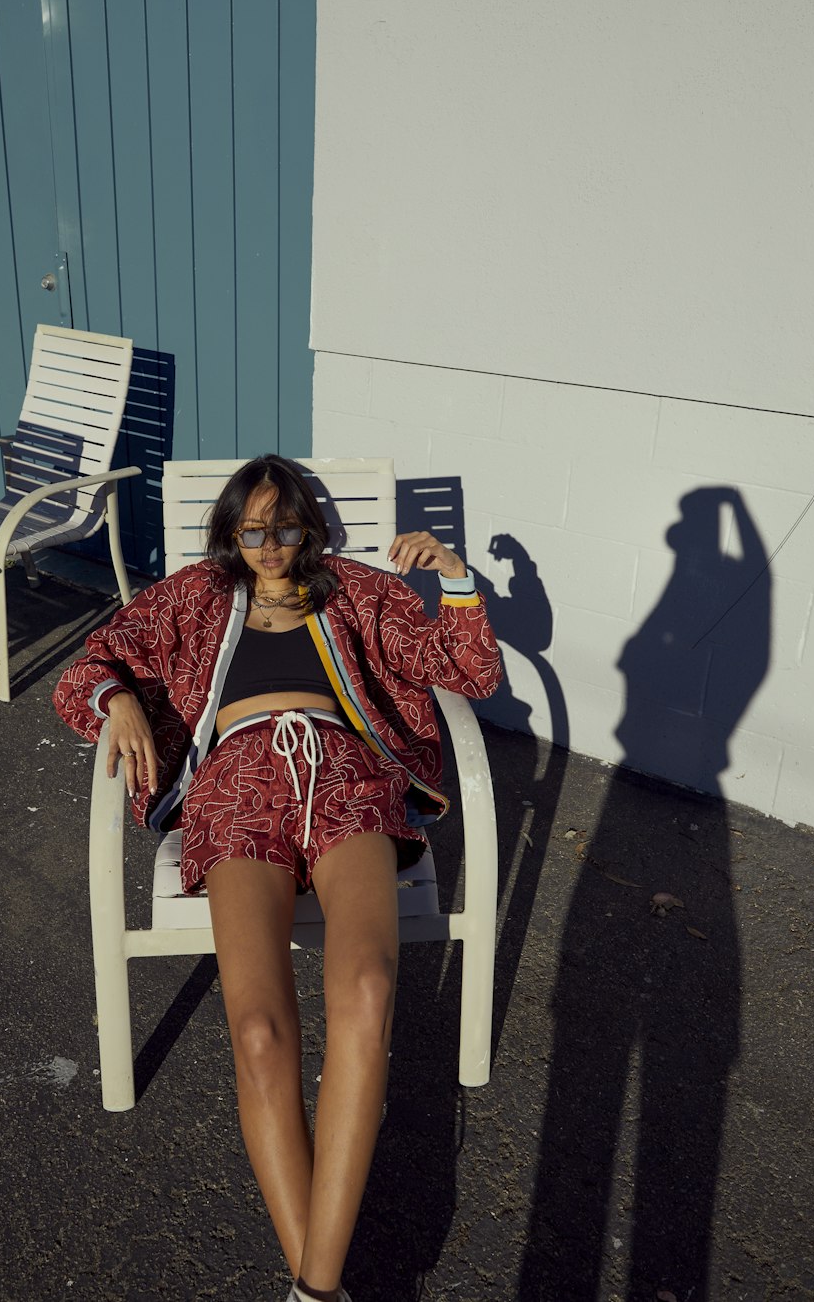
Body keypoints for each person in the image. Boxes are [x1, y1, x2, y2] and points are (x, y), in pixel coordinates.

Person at [53, 455, 500, 1302]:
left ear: (309, 529)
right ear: (228, 533)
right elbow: (91, 662)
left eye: (285, 529)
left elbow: (469, 673)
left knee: (367, 984)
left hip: (344, 774)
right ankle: (322, 1288)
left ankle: (312, 1290)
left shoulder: (358, 593)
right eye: (250, 531)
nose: (268, 547)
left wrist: (458, 580)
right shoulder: (190, 595)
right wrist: (113, 697)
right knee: (258, 1031)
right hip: (236, 787)